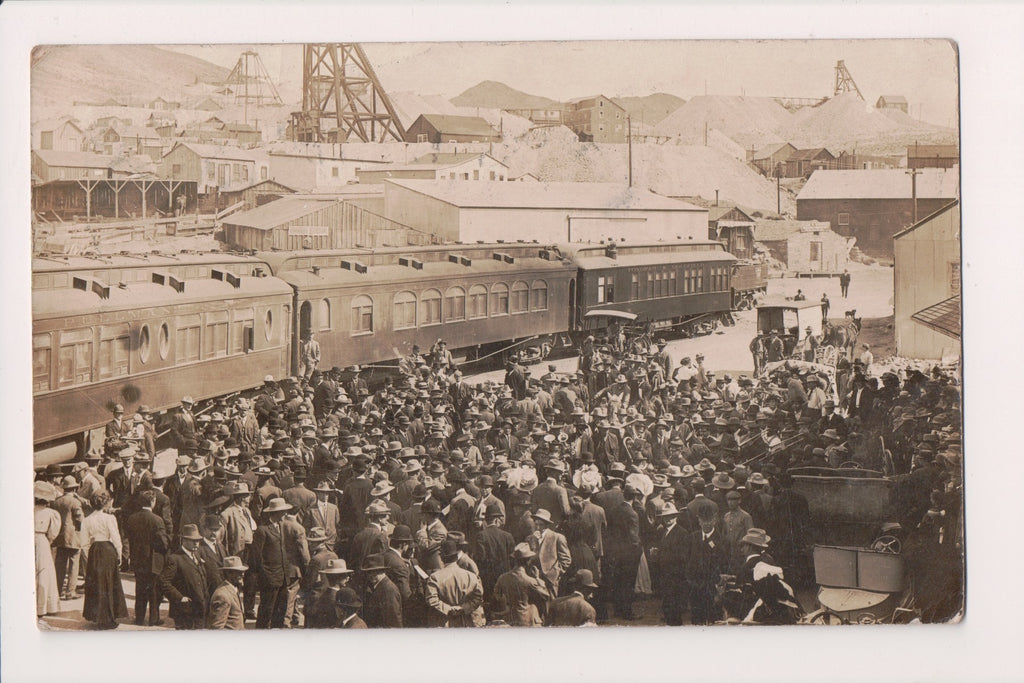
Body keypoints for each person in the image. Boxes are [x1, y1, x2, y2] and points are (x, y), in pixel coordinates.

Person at [81, 490, 128, 629]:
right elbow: (116, 538)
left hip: (95, 550)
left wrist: (90, 556)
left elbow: (84, 543)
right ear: (105, 503)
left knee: (97, 583)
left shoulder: (86, 520)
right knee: (109, 582)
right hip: (108, 549)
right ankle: (110, 617)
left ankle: (97, 617)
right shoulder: (109, 518)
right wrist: (119, 555)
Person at [125, 490, 168, 626]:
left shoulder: (132, 518)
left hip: (138, 559)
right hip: (154, 560)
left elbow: (129, 537)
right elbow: (162, 542)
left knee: (140, 589)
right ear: (152, 501)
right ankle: (153, 619)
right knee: (154, 591)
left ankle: (139, 618)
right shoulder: (157, 520)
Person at [251, 497, 295, 629]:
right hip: (270, 579)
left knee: (280, 612)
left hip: (282, 578)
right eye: (283, 512)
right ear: (275, 513)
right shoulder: (263, 530)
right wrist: (266, 576)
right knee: (266, 611)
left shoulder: (281, 527)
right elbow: (256, 558)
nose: (285, 514)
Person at [425, 538, 485, 627]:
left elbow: (432, 600)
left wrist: (449, 609)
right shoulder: (471, 576)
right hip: (465, 623)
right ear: (457, 556)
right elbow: (478, 598)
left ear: (441, 558)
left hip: (443, 624)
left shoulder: (435, 577)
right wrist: (463, 608)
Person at [160, 524, 209, 630]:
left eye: (198, 541)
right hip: (184, 611)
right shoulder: (175, 558)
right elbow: (163, 582)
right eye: (193, 541)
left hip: (199, 608)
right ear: (184, 540)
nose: (196, 544)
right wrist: (180, 598)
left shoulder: (197, 555)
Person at [490, 543, 550, 626]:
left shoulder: (502, 578)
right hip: (530, 622)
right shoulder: (530, 581)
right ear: (528, 562)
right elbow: (546, 596)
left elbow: (497, 596)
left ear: (515, 560)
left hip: (510, 620)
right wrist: (537, 578)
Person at [51, 475, 85, 601]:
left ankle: (58, 590)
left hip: (60, 538)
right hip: (73, 538)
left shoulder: (56, 501)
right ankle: (70, 591)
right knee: (73, 565)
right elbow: (80, 519)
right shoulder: (75, 502)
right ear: (75, 489)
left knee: (60, 565)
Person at [34, 481, 62, 618]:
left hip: (30, 540)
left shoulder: (30, 510)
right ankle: (45, 606)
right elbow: (53, 532)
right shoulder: (51, 513)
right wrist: (49, 540)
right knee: (45, 571)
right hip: (42, 540)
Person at [361, 553, 403, 628]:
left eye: (375, 572)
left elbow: (394, 620)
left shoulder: (389, 590)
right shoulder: (378, 586)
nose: (371, 575)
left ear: (382, 571)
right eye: (368, 572)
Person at [208, 556, 248, 629]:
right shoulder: (222, 596)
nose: (242, 575)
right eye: (238, 572)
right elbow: (217, 628)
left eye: (242, 572)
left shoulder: (233, 589)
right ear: (229, 573)